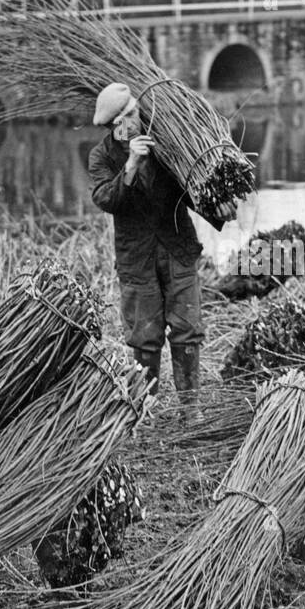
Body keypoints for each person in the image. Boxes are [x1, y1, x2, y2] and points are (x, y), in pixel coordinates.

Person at [87, 82, 236, 413]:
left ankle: (189, 408)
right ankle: (147, 409)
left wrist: (219, 212)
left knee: (187, 330)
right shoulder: (101, 156)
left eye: (132, 114)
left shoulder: (165, 144)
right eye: (122, 121)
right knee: (145, 336)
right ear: (112, 127)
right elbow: (105, 200)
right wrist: (130, 166)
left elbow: (190, 189)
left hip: (177, 250)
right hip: (137, 261)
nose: (130, 124)